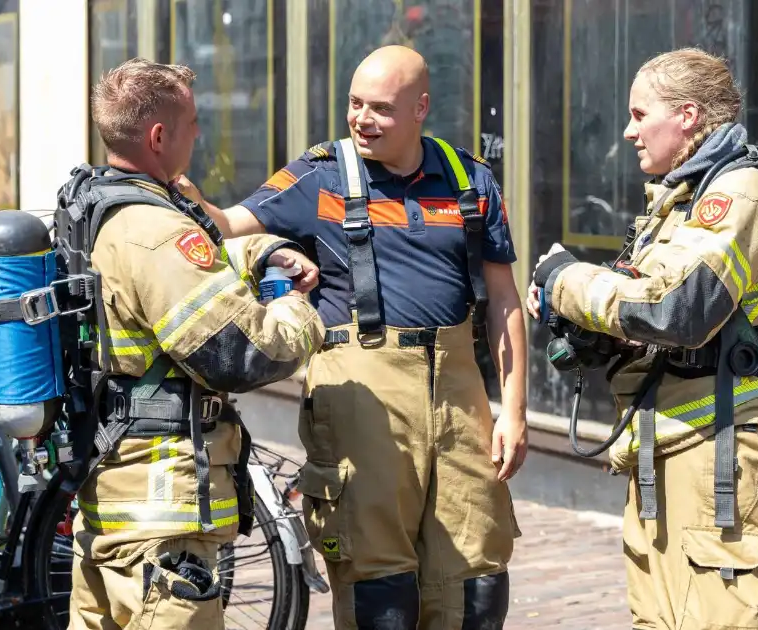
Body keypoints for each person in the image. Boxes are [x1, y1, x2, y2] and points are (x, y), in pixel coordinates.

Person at [180, 45, 528, 629]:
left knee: (476, 579)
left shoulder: (471, 179)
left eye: (381, 109)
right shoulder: (318, 176)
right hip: (362, 389)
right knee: (380, 585)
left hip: (459, 397)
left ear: (421, 108)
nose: (362, 119)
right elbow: (227, 226)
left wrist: (513, 410)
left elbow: (504, 302)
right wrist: (177, 192)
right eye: (355, 104)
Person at [526, 48, 758, 630]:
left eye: (639, 114)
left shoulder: (740, 194)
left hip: (715, 449)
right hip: (665, 441)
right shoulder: (681, 201)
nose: (628, 131)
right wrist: (584, 321)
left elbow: (678, 310)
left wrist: (564, 279)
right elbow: (648, 307)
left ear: (689, 116)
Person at [68, 58, 325, 630]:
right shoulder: (160, 233)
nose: (199, 133)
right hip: (163, 527)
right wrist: (300, 313)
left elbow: (177, 280)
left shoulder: (102, 209)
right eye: (191, 122)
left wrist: (261, 252)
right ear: (159, 137)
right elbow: (240, 353)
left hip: (111, 512)